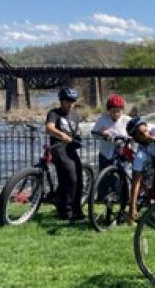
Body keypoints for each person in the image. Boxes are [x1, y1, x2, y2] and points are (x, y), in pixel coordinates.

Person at [45, 86, 85, 221]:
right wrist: (62, 136)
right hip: (58, 147)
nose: (70, 104)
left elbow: (75, 132)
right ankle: (65, 210)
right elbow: (49, 127)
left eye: (73, 101)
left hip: (70, 149)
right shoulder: (54, 113)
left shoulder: (74, 116)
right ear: (61, 101)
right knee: (70, 177)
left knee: (79, 179)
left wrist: (77, 139)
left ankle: (77, 210)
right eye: (67, 101)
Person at [91, 94, 130, 171]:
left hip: (122, 153)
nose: (116, 114)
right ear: (108, 110)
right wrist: (102, 133)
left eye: (118, 111)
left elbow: (136, 131)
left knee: (122, 177)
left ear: (122, 110)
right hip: (105, 154)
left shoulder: (127, 120)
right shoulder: (103, 119)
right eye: (113, 111)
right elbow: (94, 133)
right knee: (105, 179)